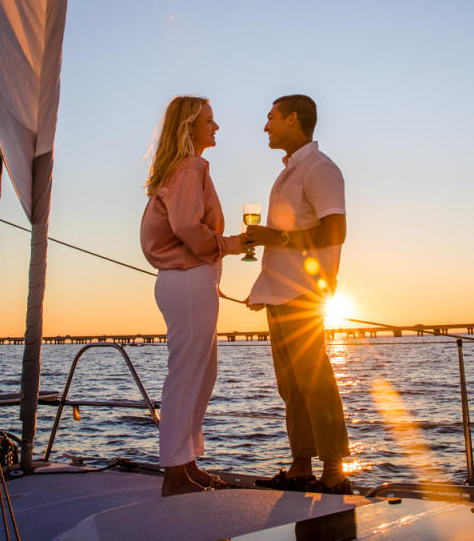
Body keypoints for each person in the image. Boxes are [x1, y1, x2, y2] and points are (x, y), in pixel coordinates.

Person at [243, 94, 352, 495]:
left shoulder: (320, 169)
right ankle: (301, 467)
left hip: (303, 293)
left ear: (293, 119)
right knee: (291, 386)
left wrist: (278, 237)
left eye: (271, 117)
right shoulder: (292, 170)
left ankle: (335, 474)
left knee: (315, 381)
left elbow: (336, 231)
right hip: (279, 292)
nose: (266, 125)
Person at [140, 95, 244, 496]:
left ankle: (187, 461)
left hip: (187, 279)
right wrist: (231, 243)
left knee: (202, 374)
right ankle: (174, 473)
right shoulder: (191, 167)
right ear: (189, 128)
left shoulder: (181, 169)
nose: (215, 128)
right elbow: (187, 225)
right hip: (187, 279)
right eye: (209, 121)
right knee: (188, 374)